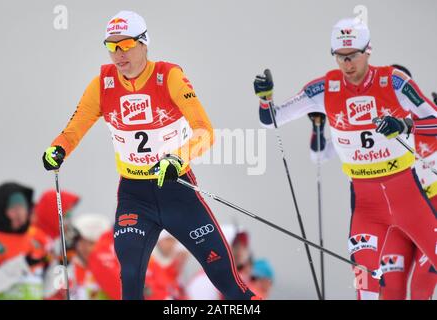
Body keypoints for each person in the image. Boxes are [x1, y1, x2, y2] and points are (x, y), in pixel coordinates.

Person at [42, 10, 257, 300]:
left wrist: (178, 158)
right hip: (135, 196)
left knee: (225, 278)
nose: (119, 54)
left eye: (126, 45)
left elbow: (204, 131)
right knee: (130, 278)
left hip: (176, 190)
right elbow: (73, 130)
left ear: (144, 43)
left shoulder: (169, 77)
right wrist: (58, 148)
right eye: (111, 46)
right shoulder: (102, 85)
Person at [253, 17, 437, 299]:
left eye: (352, 56)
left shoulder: (395, 80)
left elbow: (434, 121)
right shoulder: (323, 89)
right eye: (340, 57)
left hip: (408, 196)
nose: (347, 65)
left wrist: (405, 125)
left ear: (368, 51)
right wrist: (265, 98)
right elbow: (272, 120)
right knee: (367, 283)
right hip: (367, 206)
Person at [307, 65, 437, 300]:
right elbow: (319, 156)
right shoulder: (370, 128)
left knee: (421, 289)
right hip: (391, 219)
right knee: (390, 289)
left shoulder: (423, 122)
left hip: (427, 210)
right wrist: (318, 128)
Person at [0, 182, 47, 299]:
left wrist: (60, 265)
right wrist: (23, 264)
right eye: (13, 208)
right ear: (0, 210)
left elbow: (45, 290)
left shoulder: (36, 241)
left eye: (22, 207)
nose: (19, 213)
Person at [186, 225, 253, 300]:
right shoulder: (205, 281)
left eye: (243, 246)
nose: (240, 252)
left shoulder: (235, 279)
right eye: (235, 246)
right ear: (222, 246)